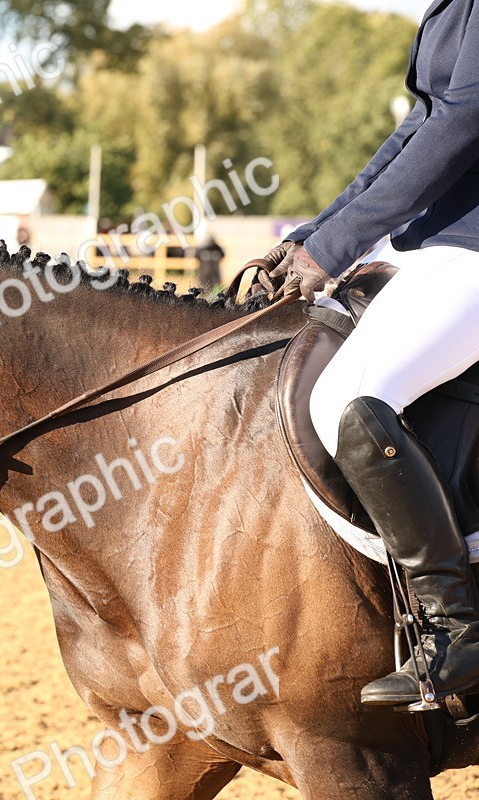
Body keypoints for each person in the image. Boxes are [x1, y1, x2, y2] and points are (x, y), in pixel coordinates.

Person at [255, 0, 479, 707]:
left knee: (351, 398)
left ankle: (457, 628)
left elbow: (461, 123)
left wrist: (335, 245)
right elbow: (416, 126)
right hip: (437, 245)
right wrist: (317, 233)